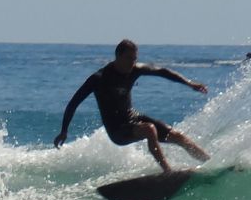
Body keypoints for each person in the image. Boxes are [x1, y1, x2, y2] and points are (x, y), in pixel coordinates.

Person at [53, 40, 210, 172]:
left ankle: (209, 162)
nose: (132, 63)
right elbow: (73, 103)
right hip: (117, 130)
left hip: (132, 118)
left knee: (177, 136)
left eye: (134, 59)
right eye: (129, 58)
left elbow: (163, 72)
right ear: (118, 56)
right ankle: (168, 172)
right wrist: (64, 131)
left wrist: (189, 83)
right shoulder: (99, 78)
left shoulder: (135, 70)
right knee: (149, 129)